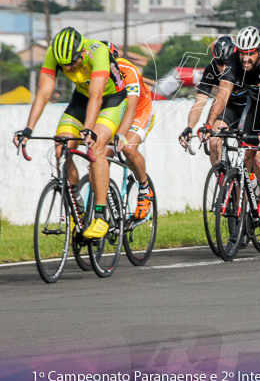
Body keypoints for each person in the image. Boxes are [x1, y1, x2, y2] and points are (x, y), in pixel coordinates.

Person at [13, 27, 127, 238]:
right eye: (64, 66)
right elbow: (44, 92)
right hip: (81, 100)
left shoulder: (97, 51)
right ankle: (77, 205)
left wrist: (88, 130)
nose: (69, 68)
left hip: (111, 99)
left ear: (82, 54)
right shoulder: (53, 54)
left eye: (72, 63)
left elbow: (97, 96)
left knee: (97, 147)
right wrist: (28, 129)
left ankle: (101, 216)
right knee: (60, 148)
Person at [199, 26, 260, 217]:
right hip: (255, 101)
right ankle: (253, 196)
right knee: (248, 151)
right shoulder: (235, 61)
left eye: (250, 54)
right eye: (242, 53)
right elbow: (222, 94)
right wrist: (209, 124)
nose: (245, 59)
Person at [103, 42, 155, 220]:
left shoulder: (127, 69)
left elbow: (132, 107)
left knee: (128, 148)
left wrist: (121, 136)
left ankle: (144, 189)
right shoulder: (94, 74)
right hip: (116, 112)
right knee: (100, 157)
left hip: (139, 110)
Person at [179, 36, 248, 167]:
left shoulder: (245, 67)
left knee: (255, 156)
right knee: (214, 141)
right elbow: (199, 103)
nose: (223, 68)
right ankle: (222, 181)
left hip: (249, 107)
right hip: (231, 108)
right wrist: (189, 128)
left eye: (227, 63)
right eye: (219, 64)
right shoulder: (211, 70)